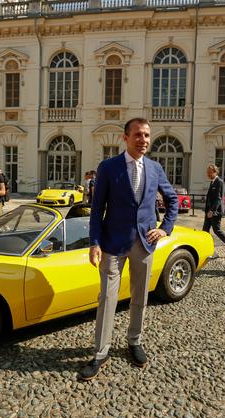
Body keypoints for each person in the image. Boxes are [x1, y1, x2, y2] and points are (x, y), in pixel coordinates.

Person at [81, 117, 178, 381]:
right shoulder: (108, 167)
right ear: (125, 138)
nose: (143, 140)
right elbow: (97, 208)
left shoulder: (155, 168)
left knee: (140, 296)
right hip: (113, 243)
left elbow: (172, 200)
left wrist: (165, 228)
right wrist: (94, 242)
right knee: (107, 298)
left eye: (146, 135)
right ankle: (100, 353)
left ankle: (134, 341)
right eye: (137, 134)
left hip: (144, 244)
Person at [203, 164, 225, 258]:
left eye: (210, 172)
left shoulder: (220, 182)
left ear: (215, 172)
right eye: (207, 172)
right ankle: (209, 251)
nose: (208, 174)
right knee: (205, 231)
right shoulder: (212, 182)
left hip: (215, 212)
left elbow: (219, 198)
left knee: (217, 230)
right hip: (209, 212)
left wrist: (212, 210)